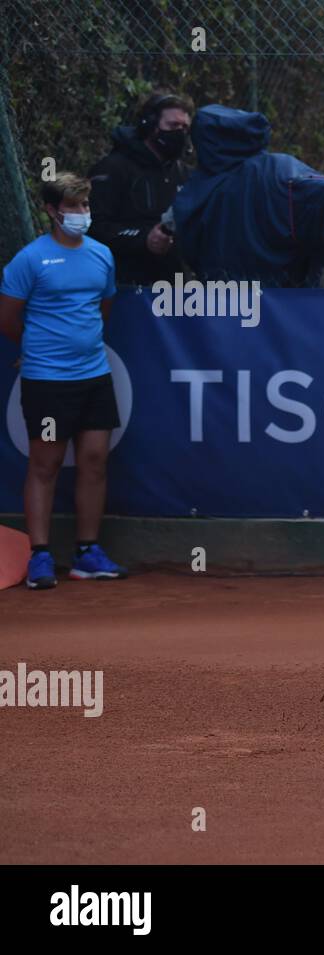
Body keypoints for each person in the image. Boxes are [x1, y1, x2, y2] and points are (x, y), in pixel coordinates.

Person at [0, 172, 128, 589]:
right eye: (72, 206)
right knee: (46, 464)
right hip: (47, 383)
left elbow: (103, 308)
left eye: (85, 206)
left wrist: (81, 345)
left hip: (95, 377)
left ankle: (87, 553)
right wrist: (39, 349)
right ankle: (40, 556)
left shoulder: (102, 255)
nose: (80, 214)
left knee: (94, 461)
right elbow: (7, 317)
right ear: (52, 211)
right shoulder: (30, 260)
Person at [87, 91, 193, 286]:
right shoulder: (113, 169)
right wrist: (144, 239)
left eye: (185, 127)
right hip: (124, 286)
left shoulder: (186, 174)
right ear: (150, 125)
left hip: (175, 288)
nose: (180, 133)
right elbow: (93, 227)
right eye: (173, 125)